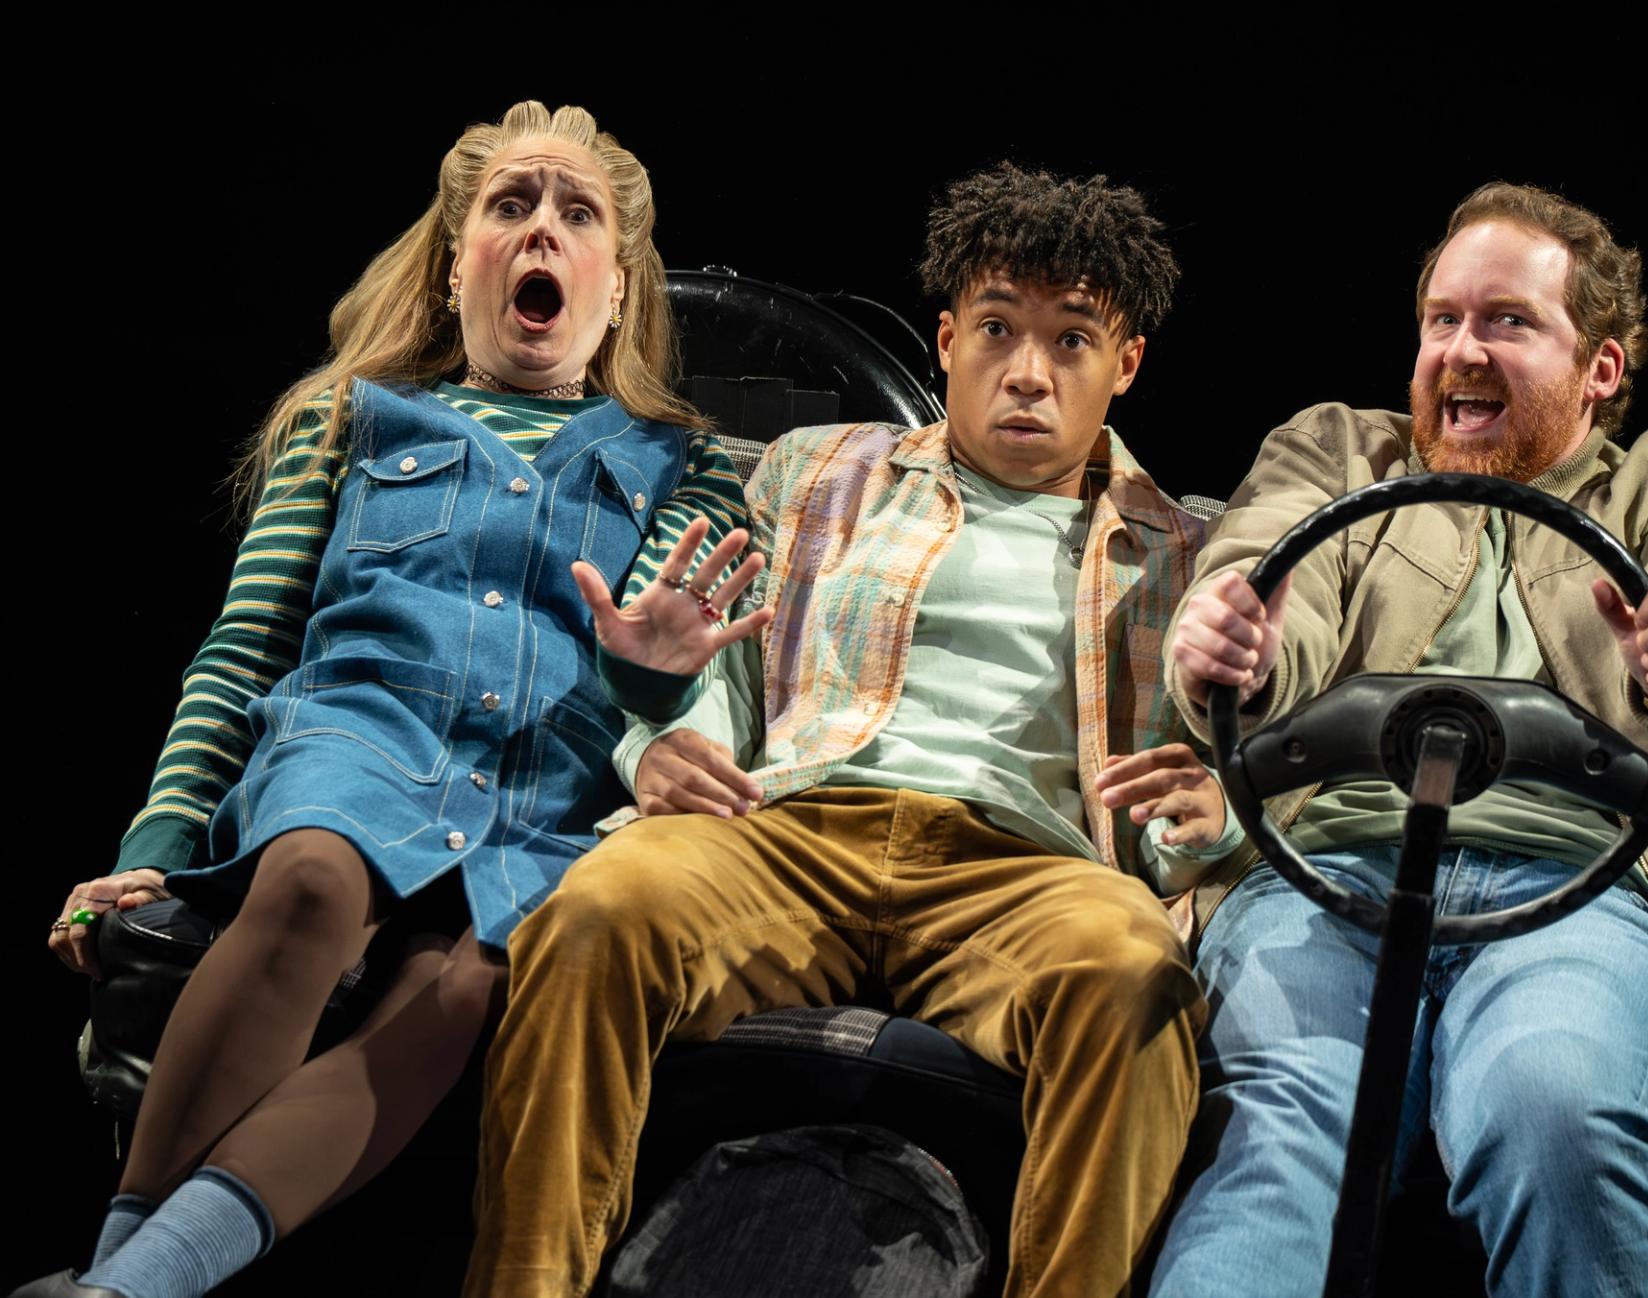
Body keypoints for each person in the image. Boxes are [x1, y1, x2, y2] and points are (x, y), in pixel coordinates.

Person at [465, 162, 1245, 1298]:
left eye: (1072, 340)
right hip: (789, 829)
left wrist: (1204, 828)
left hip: (1026, 869)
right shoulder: (814, 469)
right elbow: (715, 678)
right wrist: (654, 730)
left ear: (1125, 364)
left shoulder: (1187, 551)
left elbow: (1187, 805)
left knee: (1135, 979)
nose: (1028, 370)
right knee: (595, 912)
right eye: (996, 328)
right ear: (943, 337)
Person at [20, 102, 754, 1298]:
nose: (541, 233)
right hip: (362, 736)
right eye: (510, 207)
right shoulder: (348, 418)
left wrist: (651, 669)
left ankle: (115, 1286)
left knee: (466, 981)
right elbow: (242, 644)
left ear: (615, 287)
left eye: (577, 216)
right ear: (457, 261)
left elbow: (670, 694)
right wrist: (153, 847)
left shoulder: (691, 461)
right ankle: (130, 1274)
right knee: (314, 874)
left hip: (552, 792)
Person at [1150, 182, 1648, 1296]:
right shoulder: (1341, 455)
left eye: (1506, 321)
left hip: (1590, 893)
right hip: (1329, 881)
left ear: (1599, 365)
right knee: (1280, 1139)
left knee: (1552, 1102)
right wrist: (1236, 639)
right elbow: (1270, 580)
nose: (1462, 350)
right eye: (1443, 319)